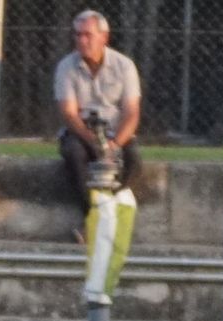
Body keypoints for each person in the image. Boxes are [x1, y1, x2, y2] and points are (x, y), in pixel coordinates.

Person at [54, 9, 141, 212]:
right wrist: (93, 142)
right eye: (77, 34)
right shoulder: (66, 67)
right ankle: (92, 214)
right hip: (80, 132)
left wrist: (115, 143)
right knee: (74, 155)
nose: (82, 40)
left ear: (104, 37)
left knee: (135, 162)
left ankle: (112, 206)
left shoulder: (124, 66)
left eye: (88, 35)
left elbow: (132, 112)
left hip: (114, 132)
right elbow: (69, 113)